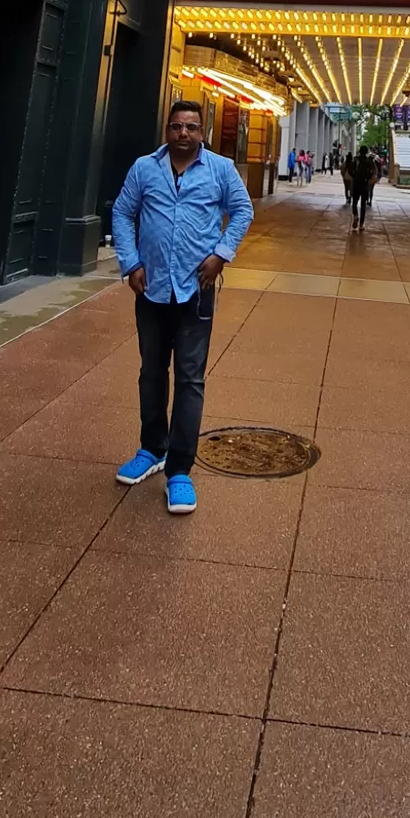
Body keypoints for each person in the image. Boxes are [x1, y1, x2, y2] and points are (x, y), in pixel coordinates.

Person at [111, 100, 253, 515]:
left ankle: (179, 470)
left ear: (202, 131)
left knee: (190, 379)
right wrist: (130, 262)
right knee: (151, 372)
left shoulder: (221, 170)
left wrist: (222, 253)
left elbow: (243, 210)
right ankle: (152, 448)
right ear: (167, 129)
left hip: (196, 289)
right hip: (150, 286)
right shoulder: (144, 168)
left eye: (191, 127)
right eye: (176, 126)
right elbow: (122, 212)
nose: (183, 134)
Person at [350, 148, 378, 230]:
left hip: (356, 183)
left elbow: (350, 170)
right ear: (366, 152)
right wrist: (368, 178)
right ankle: (361, 224)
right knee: (363, 205)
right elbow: (372, 172)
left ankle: (355, 215)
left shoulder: (355, 159)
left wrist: (354, 177)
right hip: (364, 184)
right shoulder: (369, 161)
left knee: (354, 202)